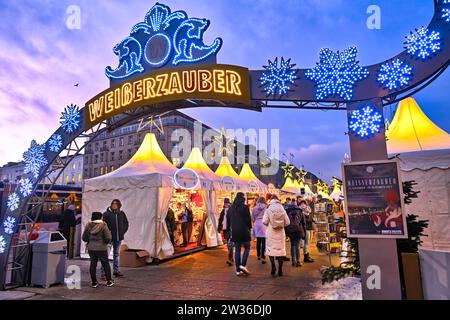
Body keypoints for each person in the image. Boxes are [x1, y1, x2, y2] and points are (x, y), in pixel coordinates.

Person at [82, 212, 114, 288]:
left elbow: (84, 238)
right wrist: (105, 243)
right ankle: (109, 281)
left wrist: (90, 241)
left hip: (91, 248)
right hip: (101, 248)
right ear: (100, 217)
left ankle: (94, 282)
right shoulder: (104, 225)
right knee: (105, 264)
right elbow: (108, 238)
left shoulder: (88, 225)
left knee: (93, 264)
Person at [263, 195, 290, 277]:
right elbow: (288, 222)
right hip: (281, 233)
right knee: (280, 251)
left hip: (271, 232)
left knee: (271, 250)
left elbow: (264, 221)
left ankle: (273, 266)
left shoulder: (268, 209)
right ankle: (280, 270)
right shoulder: (282, 208)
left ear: (271, 200)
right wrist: (281, 224)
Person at [103, 199, 129, 278]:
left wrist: (122, 232)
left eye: (116, 204)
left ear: (119, 205)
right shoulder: (106, 214)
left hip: (118, 238)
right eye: (113, 203)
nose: (114, 205)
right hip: (109, 238)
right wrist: (107, 233)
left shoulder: (121, 214)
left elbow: (126, 223)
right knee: (105, 255)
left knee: (116, 255)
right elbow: (102, 225)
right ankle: (104, 272)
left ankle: (116, 271)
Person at [228, 192, 252, 276]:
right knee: (247, 247)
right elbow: (248, 219)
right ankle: (243, 265)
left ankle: (237, 270)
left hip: (235, 231)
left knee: (237, 250)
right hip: (244, 231)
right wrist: (249, 227)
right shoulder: (245, 208)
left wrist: (229, 230)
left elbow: (228, 221)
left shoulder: (231, 208)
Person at [285, 199, 305, 267]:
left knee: (292, 245)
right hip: (298, 230)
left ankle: (293, 261)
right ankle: (298, 261)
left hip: (290, 230)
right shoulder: (300, 211)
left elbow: (285, 223)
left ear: (291, 203)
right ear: (296, 204)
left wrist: (286, 233)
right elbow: (303, 222)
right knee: (297, 246)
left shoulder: (287, 211)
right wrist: (304, 233)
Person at [218, 198, 233, 266]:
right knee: (228, 244)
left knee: (230, 244)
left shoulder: (232, 210)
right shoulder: (223, 211)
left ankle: (230, 259)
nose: (226, 204)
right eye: (225, 203)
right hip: (225, 229)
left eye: (227, 203)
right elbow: (220, 219)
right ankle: (231, 257)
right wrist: (219, 228)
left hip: (231, 229)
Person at [251, 197, 267, 264]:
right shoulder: (266, 208)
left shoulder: (254, 208)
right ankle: (263, 256)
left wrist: (255, 221)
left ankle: (258, 255)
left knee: (258, 240)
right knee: (263, 241)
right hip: (263, 224)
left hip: (257, 224)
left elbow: (252, 217)